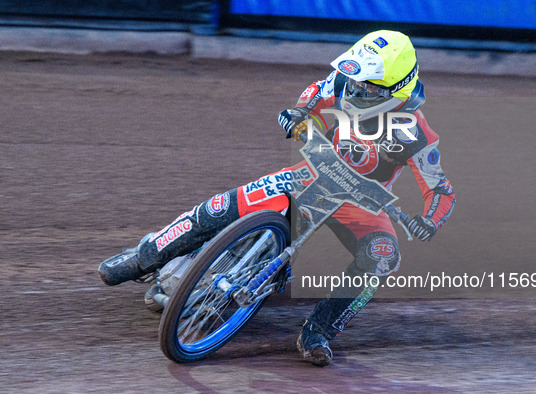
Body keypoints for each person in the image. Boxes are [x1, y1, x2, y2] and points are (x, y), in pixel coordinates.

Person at [98, 30, 455, 367]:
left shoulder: (418, 133)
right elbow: (315, 93)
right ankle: (142, 258)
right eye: (356, 79)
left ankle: (319, 331)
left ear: (399, 88)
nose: (357, 88)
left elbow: (439, 189)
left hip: (360, 205)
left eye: (369, 86)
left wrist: (429, 220)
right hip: (310, 175)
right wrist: (300, 113)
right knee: (224, 206)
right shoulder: (345, 82)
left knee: (383, 256)